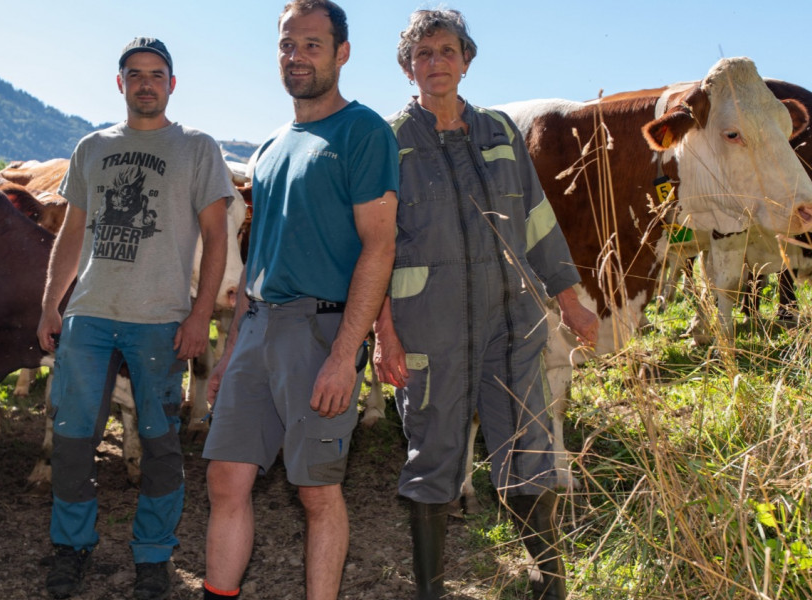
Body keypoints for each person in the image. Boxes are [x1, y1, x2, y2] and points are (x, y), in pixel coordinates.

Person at [372, 9, 599, 600]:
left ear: (466, 61)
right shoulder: (387, 142)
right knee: (433, 456)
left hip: (512, 324)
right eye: (423, 54)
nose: (436, 63)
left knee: (528, 450)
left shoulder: (500, 131)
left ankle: (550, 584)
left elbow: (538, 220)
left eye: (447, 51)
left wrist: (569, 299)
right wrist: (384, 333)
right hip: (428, 329)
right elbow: (373, 247)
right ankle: (431, 590)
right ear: (408, 69)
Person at [198, 1, 399, 599]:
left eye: (312, 44)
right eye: (288, 44)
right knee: (225, 480)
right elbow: (260, 259)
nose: (297, 56)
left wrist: (345, 355)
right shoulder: (269, 149)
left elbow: (379, 247)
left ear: (342, 53)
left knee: (315, 490)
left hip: (319, 332)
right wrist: (232, 349)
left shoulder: (364, 132)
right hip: (257, 326)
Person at [37, 36, 235, 600]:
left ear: (171, 85)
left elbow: (217, 239)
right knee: (73, 439)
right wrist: (52, 301)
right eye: (134, 74)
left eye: (156, 74)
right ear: (119, 83)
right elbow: (73, 232)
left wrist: (200, 314)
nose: (145, 83)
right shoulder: (92, 147)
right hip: (91, 314)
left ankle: (154, 556)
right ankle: (71, 548)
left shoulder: (198, 148)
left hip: (160, 318)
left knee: (160, 442)